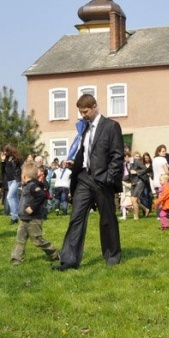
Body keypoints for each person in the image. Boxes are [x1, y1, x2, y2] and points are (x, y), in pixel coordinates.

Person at [54, 94, 124, 270]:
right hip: (84, 178)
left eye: (85, 111)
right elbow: (85, 152)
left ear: (94, 106)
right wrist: (75, 164)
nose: (83, 115)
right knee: (76, 217)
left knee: (107, 219)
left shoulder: (111, 126)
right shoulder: (84, 129)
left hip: (102, 180)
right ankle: (69, 260)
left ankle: (112, 256)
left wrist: (108, 178)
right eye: (80, 112)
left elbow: (117, 156)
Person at [11, 162, 59, 265]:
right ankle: (16, 259)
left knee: (37, 240)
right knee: (20, 239)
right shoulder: (27, 185)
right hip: (23, 219)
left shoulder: (33, 186)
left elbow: (41, 196)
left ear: (24, 176)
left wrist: (32, 207)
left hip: (33, 219)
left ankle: (54, 253)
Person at [0, 144, 24, 223]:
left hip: (15, 179)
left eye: (6, 151)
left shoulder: (16, 158)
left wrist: (22, 178)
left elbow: (21, 168)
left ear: (10, 151)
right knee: (15, 198)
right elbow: (3, 171)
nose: (4, 153)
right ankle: (19, 215)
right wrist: (2, 161)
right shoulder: (6, 159)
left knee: (9, 197)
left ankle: (14, 217)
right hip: (9, 180)